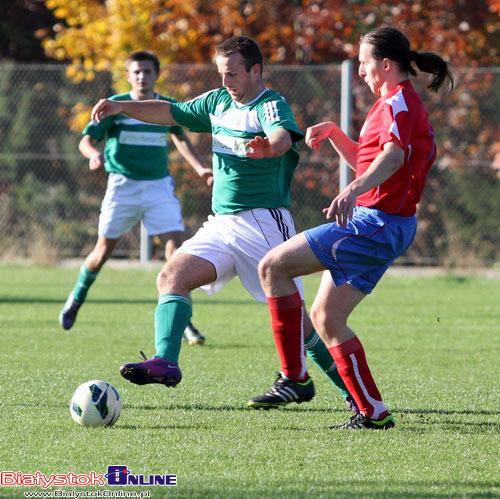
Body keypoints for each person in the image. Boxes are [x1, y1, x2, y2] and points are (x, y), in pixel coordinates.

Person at [89, 36, 357, 412]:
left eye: (232, 73)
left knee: (300, 325)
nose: (225, 80)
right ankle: (166, 361)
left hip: (264, 224)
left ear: (255, 70)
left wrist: (269, 146)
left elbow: (281, 136)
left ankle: (351, 395)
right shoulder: (216, 102)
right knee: (171, 277)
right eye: (221, 73)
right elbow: (171, 112)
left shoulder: (269, 104)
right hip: (221, 224)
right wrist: (121, 107)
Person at [255, 26, 454, 429]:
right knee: (326, 318)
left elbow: (393, 159)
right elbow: (374, 161)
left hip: (376, 222)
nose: (360, 69)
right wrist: (333, 133)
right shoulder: (394, 104)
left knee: (273, 266)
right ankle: (372, 412)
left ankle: (294, 378)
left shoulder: (398, 103)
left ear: (385, 64)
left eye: (364, 62)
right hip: (387, 224)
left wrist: (352, 190)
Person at [59, 50, 212, 346]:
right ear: (128, 76)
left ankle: (184, 322)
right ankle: (76, 298)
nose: (142, 76)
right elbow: (86, 140)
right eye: (136, 72)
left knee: (176, 253)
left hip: (158, 187)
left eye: (148, 71)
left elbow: (180, 137)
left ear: (157, 75)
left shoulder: (166, 106)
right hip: (123, 186)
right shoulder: (115, 106)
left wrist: (200, 167)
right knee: (102, 252)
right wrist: (94, 155)